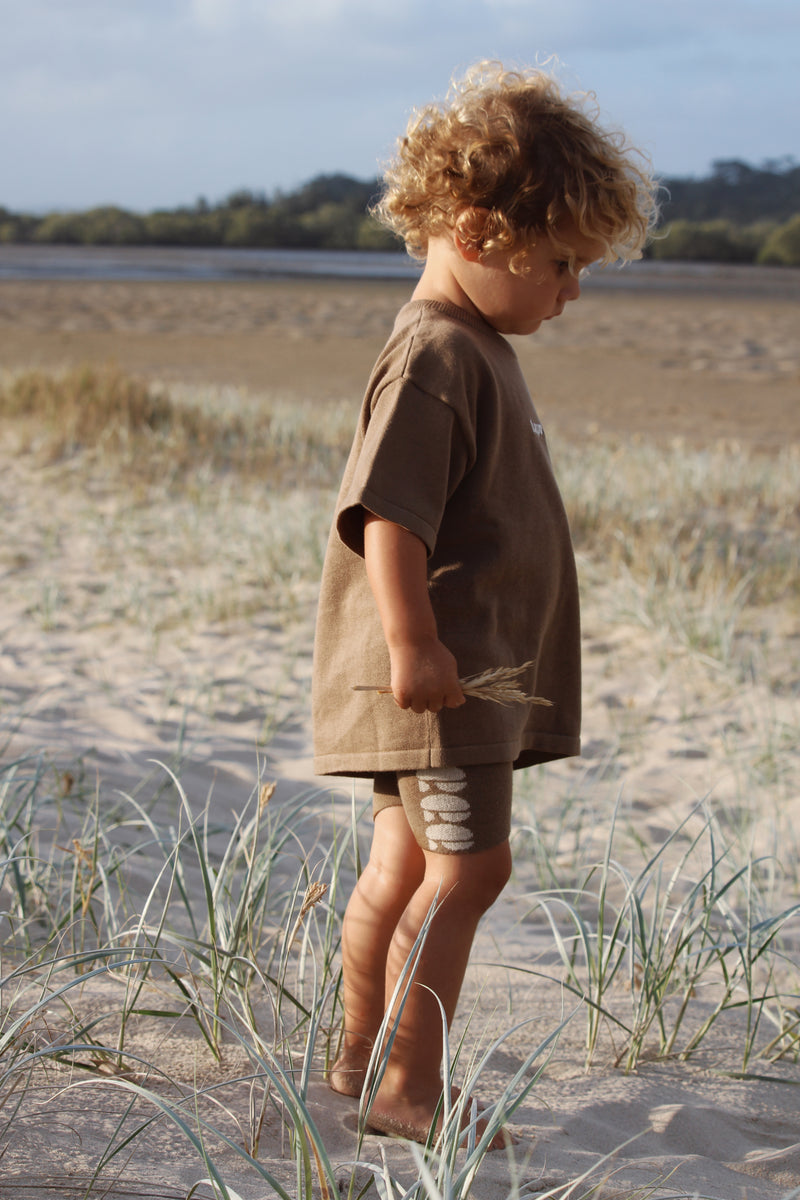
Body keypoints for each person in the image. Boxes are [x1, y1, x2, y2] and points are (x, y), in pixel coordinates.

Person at [312, 60, 657, 1146]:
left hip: (449, 679)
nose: (568, 289)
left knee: (403, 866)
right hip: (441, 682)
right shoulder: (435, 357)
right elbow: (388, 518)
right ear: (476, 227)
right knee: (471, 869)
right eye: (560, 262)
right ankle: (408, 1089)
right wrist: (413, 646)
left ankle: (358, 1060)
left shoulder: (471, 347)